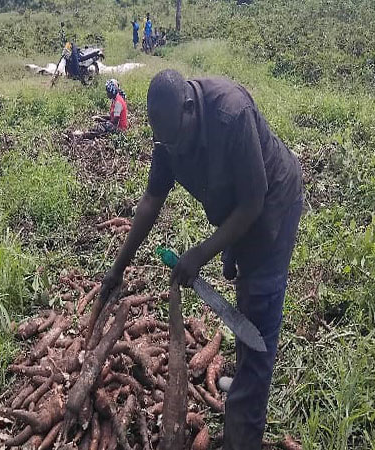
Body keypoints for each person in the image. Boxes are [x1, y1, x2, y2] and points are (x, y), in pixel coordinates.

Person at [93, 69, 304, 449]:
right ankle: (244, 386)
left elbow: (253, 201)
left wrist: (202, 253)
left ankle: (243, 434)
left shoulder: (232, 113)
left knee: (258, 310)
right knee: (243, 300)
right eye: (165, 143)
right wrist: (117, 269)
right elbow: (151, 201)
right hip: (236, 208)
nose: (172, 150)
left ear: (189, 108)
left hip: (273, 205)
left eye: (176, 141)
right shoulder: (168, 134)